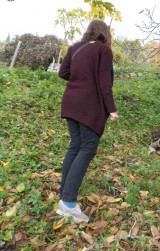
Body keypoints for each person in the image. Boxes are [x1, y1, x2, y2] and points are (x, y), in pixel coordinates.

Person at [56, 20, 119, 223]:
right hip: (88, 106)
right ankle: (68, 202)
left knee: (75, 145)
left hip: (71, 102)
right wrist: (111, 109)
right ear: (105, 33)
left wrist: (80, 80)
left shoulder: (75, 48)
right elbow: (104, 82)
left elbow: (63, 73)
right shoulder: (103, 50)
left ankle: (64, 197)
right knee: (87, 148)